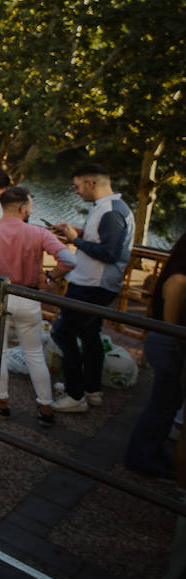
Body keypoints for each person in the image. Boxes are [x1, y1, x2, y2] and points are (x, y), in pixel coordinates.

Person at [0, 187, 76, 427]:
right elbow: (69, 260)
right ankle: (46, 407)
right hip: (28, 296)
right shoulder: (38, 233)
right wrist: (50, 278)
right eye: (30, 206)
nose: (32, 210)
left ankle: (2, 403)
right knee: (34, 353)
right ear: (22, 208)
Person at [47, 163, 135, 413]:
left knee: (62, 333)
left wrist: (76, 241)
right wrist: (78, 232)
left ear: (91, 183)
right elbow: (103, 239)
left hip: (93, 284)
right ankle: (91, 388)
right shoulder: (108, 208)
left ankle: (76, 396)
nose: (76, 192)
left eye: (77, 186)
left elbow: (109, 253)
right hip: (94, 282)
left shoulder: (111, 211)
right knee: (89, 334)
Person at [125, 235, 186, 478]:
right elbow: (171, 327)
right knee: (162, 405)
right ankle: (141, 457)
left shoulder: (176, 275)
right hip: (168, 345)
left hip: (165, 344)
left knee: (166, 404)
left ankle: (150, 451)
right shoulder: (179, 281)